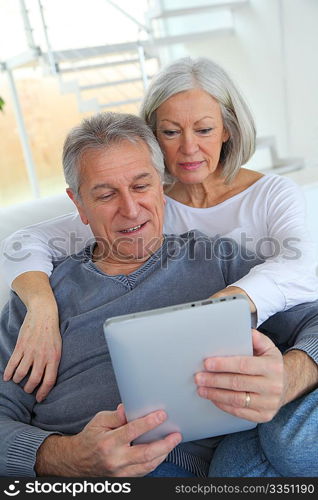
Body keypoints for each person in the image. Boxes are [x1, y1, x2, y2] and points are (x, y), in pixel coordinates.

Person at [0, 112, 317, 477]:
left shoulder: (218, 259)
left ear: (162, 187)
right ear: (79, 206)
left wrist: (290, 377)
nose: (130, 209)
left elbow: (314, 317)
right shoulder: (41, 295)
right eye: (105, 195)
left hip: (211, 466)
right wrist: (63, 456)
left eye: (141, 186)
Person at [1, 57, 317, 405]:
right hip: (212, 380)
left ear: (227, 129)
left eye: (204, 129)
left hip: (284, 347)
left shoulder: (271, 194)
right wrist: (42, 306)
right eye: (170, 132)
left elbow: (303, 269)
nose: (189, 148)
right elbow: (25, 241)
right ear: (152, 136)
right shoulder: (143, 207)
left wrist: (226, 305)